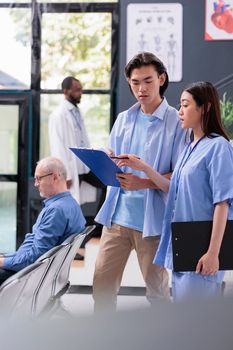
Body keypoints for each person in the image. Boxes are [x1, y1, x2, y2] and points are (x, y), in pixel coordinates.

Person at [92, 52, 186, 311]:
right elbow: (114, 163)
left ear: (161, 79)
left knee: (157, 295)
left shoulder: (177, 123)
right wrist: (106, 159)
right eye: (135, 82)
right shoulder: (124, 119)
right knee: (101, 288)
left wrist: (143, 183)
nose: (141, 88)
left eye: (148, 81)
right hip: (116, 219)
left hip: (152, 223)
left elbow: (177, 179)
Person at [148, 81, 233, 301]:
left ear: (204, 108)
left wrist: (213, 253)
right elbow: (174, 189)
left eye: (185, 105)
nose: (180, 111)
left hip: (202, 247)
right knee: (184, 321)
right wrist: (144, 168)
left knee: (197, 324)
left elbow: (223, 203)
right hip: (182, 245)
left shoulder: (218, 147)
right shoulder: (188, 147)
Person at [0, 156, 86, 285]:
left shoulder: (56, 210)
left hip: (29, 274)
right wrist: (5, 259)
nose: (35, 184)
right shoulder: (71, 204)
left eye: (38, 178)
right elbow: (34, 249)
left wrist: (3, 262)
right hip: (42, 273)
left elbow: (35, 258)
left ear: (55, 177)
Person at [48, 76, 103, 206]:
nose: (80, 93)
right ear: (66, 91)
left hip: (84, 166)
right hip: (72, 169)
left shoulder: (77, 112)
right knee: (70, 204)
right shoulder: (58, 115)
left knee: (107, 183)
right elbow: (57, 147)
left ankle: (101, 223)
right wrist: (64, 175)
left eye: (81, 89)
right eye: (77, 90)